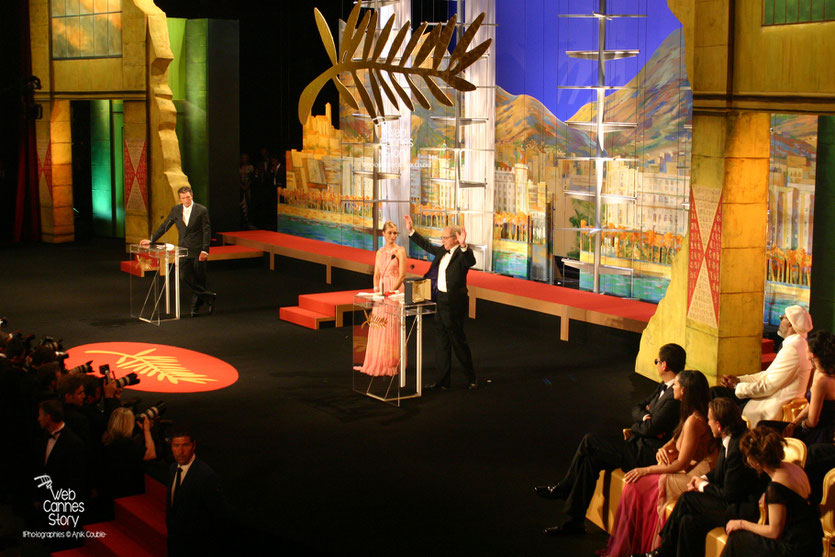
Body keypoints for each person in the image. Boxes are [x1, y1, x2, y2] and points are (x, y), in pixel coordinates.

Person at [535, 344, 685, 537]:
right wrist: (644, 416)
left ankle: (565, 487)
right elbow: (637, 407)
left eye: (656, 361)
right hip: (638, 444)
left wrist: (641, 422)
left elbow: (650, 428)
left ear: (664, 365)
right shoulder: (663, 387)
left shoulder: (674, 396)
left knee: (590, 441)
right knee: (590, 459)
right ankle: (575, 522)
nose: (655, 364)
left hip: (646, 453)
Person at [600, 369, 716, 556]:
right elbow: (678, 437)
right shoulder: (689, 414)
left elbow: (681, 465)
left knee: (637, 484)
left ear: (685, 390)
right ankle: (630, 546)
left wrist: (645, 470)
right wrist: (665, 447)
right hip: (689, 467)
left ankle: (638, 548)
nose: (674, 388)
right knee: (634, 485)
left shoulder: (694, 420)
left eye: (677, 384)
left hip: (695, 474)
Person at [636, 398, 767, 557]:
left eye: (710, 420)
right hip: (731, 500)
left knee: (687, 499)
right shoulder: (731, 439)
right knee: (688, 522)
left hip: (742, 509)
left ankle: (662, 551)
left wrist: (701, 485)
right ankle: (665, 551)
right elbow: (719, 472)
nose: (708, 423)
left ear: (719, 425)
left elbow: (729, 494)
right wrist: (703, 477)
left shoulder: (737, 448)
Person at [721, 426, 823, 557]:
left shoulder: (775, 489)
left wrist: (741, 523)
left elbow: (774, 532)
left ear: (756, 461)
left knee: (737, 540)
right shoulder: (794, 467)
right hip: (813, 541)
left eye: (747, 456)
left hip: (797, 549)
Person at [403, 215, 477, 390]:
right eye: (442, 238)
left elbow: (470, 261)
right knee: (441, 342)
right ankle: (442, 382)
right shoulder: (443, 251)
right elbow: (427, 246)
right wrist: (411, 231)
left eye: (445, 238)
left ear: (455, 238)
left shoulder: (462, 253)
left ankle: (471, 378)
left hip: (454, 303)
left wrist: (464, 245)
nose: (442, 240)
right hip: (440, 301)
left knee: (458, 341)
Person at [712, 305, 813, 426]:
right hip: (767, 396)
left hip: (772, 403)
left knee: (717, 397)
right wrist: (739, 380)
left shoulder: (794, 348)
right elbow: (767, 375)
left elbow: (768, 386)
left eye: (783, 318)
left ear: (790, 323)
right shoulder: (796, 344)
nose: (780, 320)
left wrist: (737, 386)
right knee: (718, 392)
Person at [140, 186, 216, 318]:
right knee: (183, 276)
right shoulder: (176, 210)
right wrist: (151, 240)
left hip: (198, 250)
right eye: (183, 198)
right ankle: (208, 297)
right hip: (182, 250)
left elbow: (207, 231)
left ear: (192, 195)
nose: (186, 200)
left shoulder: (201, 210)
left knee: (199, 278)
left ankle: (195, 308)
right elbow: (165, 226)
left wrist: (205, 250)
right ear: (180, 198)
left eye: (188, 197)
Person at [760, 330, 835, 446]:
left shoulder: (822, 380)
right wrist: (794, 423)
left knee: (764, 429)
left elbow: (812, 422)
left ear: (813, 354)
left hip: (819, 434)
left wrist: (799, 426)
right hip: (820, 427)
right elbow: (812, 404)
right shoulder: (822, 372)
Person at [355, 221, 407, 377]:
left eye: (395, 233)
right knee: (379, 324)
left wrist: (392, 291)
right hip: (381, 291)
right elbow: (376, 274)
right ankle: (377, 359)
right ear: (383, 234)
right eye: (389, 233)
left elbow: (403, 274)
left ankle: (391, 362)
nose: (392, 236)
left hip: (394, 289)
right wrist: (376, 290)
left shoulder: (400, 251)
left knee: (391, 325)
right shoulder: (379, 252)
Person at [166, 427, 226, 556]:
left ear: (193, 445)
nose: (180, 451)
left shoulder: (206, 476)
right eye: (176, 445)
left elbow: (217, 518)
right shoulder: (172, 469)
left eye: (185, 445)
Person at [100, 408, 156, 501]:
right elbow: (151, 454)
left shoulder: (106, 440)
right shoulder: (127, 445)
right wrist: (147, 431)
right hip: (128, 494)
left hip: (109, 492)